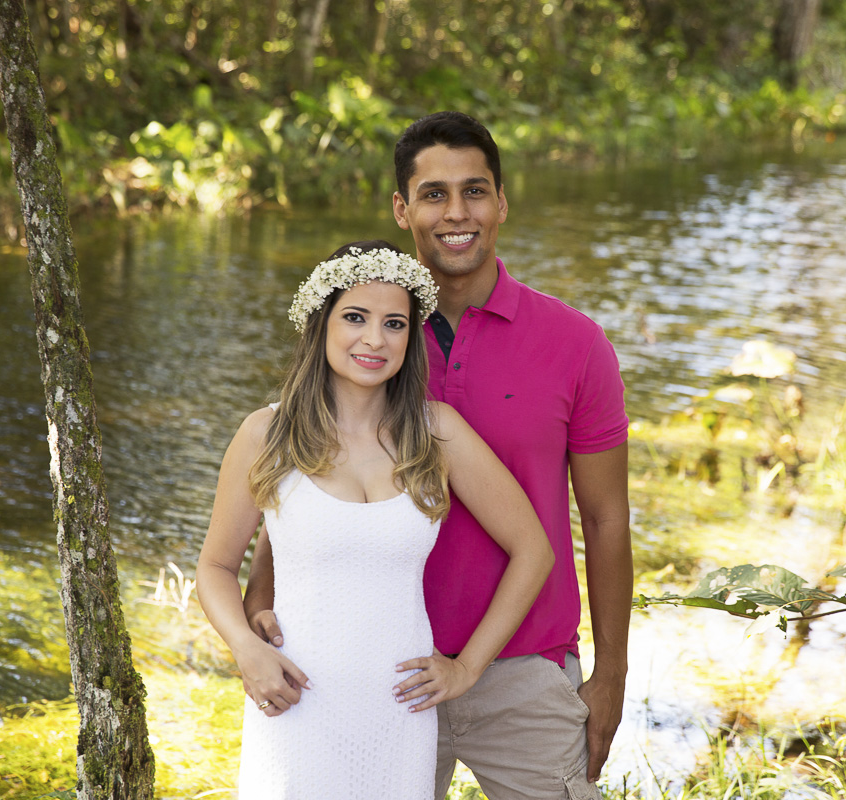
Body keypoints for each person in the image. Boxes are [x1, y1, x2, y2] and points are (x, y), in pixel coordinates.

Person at [245, 112, 633, 799]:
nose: (458, 213)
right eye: (433, 194)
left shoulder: (576, 345)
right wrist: (263, 596)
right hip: (373, 672)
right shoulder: (367, 336)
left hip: (524, 672)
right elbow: (306, 468)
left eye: (475, 191)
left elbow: (606, 521)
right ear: (403, 208)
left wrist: (609, 675)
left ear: (502, 203)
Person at [196, 239, 554, 799]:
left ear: (411, 338)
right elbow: (216, 565)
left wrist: (466, 669)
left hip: (399, 713)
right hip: (296, 700)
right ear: (322, 324)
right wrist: (246, 647)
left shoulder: (437, 431)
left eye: (394, 323)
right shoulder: (266, 435)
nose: (374, 339)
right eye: (355, 318)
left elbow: (534, 550)